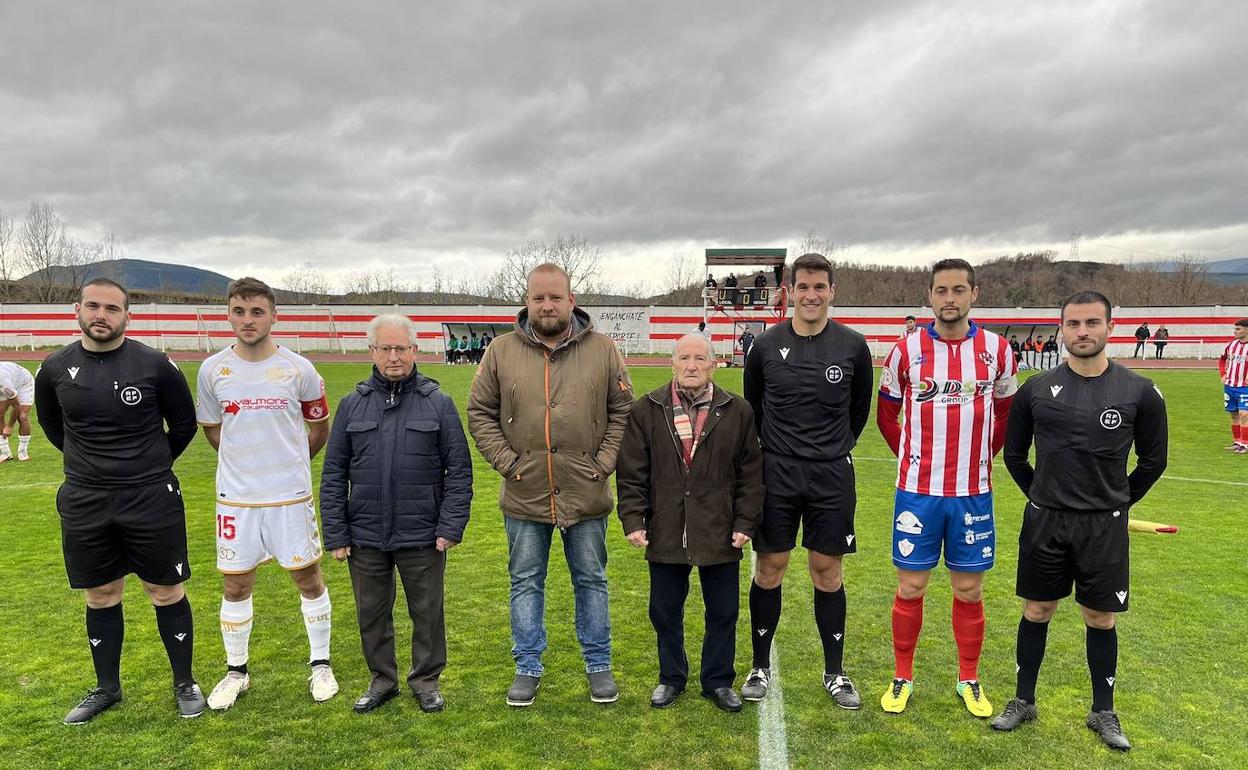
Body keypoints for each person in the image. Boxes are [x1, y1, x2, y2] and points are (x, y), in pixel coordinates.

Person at [995, 291, 1167, 751]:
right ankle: (1023, 699)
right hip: (1045, 520)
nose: (1082, 332)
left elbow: (1154, 460)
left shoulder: (1139, 391)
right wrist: (1041, 495)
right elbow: (1013, 455)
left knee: (1100, 615)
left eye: (1092, 323)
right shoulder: (1035, 388)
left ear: (1110, 327)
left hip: (1103, 527)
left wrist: (1118, 502)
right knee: (1037, 609)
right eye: (1073, 324)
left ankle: (1103, 711)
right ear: (1062, 329)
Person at [33, 278, 204, 723]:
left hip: (151, 497)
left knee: (165, 590)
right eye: (93, 306)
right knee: (102, 593)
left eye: (112, 308)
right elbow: (55, 429)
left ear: (128, 315)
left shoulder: (155, 365)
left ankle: (184, 682)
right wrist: (91, 468)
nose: (101, 315)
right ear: (78, 310)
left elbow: (183, 426)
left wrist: (146, 467)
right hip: (86, 499)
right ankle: (107, 688)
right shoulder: (53, 368)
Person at [467, 263, 634, 707]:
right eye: (539, 297)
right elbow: (479, 413)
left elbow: (623, 412)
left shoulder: (603, 349)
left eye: (555, 297)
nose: (547, 305)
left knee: (591, 580)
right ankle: (527, 665)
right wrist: (509, 463)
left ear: (571, 300)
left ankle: (599, 664)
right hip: (525, 491)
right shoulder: (500, 351)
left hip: (587, 490)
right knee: (525, 581)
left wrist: (601, 466)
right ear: (527, 300)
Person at [876, 258, 1018, 718]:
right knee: (912, 585)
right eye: (941, 290)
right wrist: (913, 457)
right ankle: (902, 676)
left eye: (959, 290)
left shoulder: (999, 350)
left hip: (972, 493)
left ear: (974, 294)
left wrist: (981, 459)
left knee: (969, 590)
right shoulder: (905, 350)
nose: (950, 299)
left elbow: (1006, 416)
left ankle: (969, 679)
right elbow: (886, 415)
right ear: (931, 296)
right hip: (917, 492)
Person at [195, 277, 338, 711]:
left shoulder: (299, 369)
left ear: (273, 316)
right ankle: (236, 671)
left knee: (307, 578)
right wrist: (246, 464)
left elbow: (319, 429)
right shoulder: (211, 370)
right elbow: (214, 430)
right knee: (236, 585)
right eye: (239, 311)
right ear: (228, 315)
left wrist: (290, 463)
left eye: (257, 311)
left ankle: (320, 664)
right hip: (236, 500)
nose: (247, 320)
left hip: (289, 498)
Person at [321, 314, 472, 714]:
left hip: (423, 533)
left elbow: (459, 469)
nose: (393, 356)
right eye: (385, 348)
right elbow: (334, 472)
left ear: (414, 351)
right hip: (365, 534)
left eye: (400, 348)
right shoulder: (352, 404)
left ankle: (426, 680)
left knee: (427, 612)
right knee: (371, 613)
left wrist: (450, 525)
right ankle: (382, 680)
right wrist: (336, 534)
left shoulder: (438, 403)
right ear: (371, 351)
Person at [741, 253, 873, 710]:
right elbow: (752, 406)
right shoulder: (764, 345)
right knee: (770, 566)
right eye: (803, 287)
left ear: (832, 291)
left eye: (820, 287)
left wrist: (829, 449)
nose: (811, 295)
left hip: (831, 474)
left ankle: (835, 672)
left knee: (827, 570)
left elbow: (859, 412)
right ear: (789, 292)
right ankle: (760, 665)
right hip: (775, 471)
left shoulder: (854, 346)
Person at [616, 333, 764, 712]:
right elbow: (632, 472)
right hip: (666, 526)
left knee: (724, 611)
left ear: (714, 365)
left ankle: (717, 680)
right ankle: (671, 677)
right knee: (664, 610)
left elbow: (751, 474)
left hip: (720, 527)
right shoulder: (647, 408)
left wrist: (745, 522)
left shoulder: (738, 410)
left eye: (700, 358)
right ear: (673, 364)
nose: (692, 365)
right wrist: (634, 519)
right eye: (684, 358)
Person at [1220, 319, 1248, 453]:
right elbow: (1222, 359)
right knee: (1234, 414)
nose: (1235, 332)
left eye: (1238, 329)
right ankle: (1237, 441)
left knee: (1244, 414)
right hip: (1230, 386)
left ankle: (1245, 444)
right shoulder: (1231, 345)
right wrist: (1222, 374)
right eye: (1235, 329)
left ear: (1247, 330)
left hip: (1245, 387)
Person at [0, 361, 35, 462]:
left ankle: (23, 452)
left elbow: (16, 406)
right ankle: (5, 453)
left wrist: (9, 426)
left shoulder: (3, 382)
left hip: (23, 382)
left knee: (22, 416)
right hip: (9, 380)